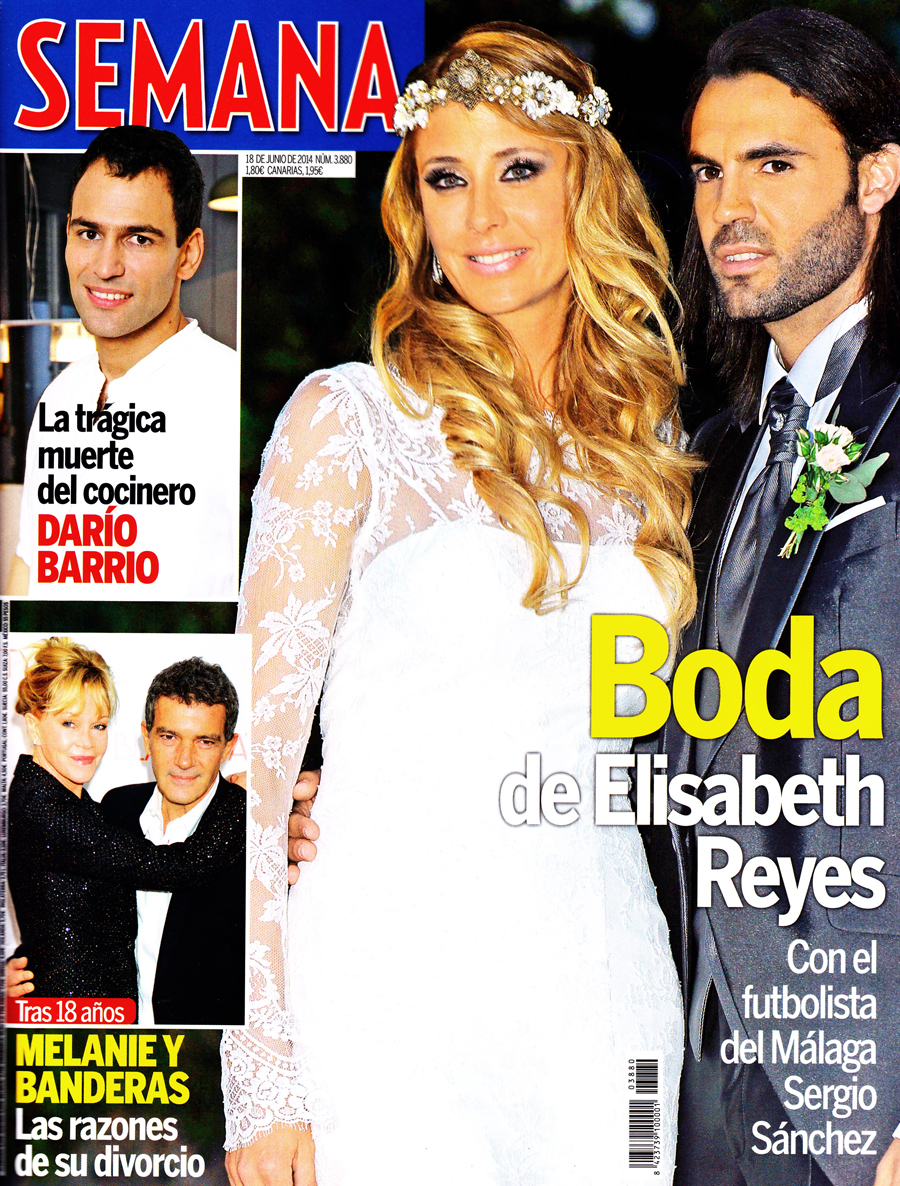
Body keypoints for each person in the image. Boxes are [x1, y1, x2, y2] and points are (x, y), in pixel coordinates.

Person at [224, 23, 698, 1186]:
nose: (482, 216)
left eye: (518, 168)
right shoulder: (350, 421)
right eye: (447, 178)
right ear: (416, 209)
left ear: (585, 181)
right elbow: (252, 770)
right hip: (386, 989)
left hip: (607, 989)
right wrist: (260, 1066)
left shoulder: (652, 439)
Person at [650, 11, 900, 1186]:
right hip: (697, 1075)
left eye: (774, 164)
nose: (729, 208)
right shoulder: (710, 456)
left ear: (877, 176)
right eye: (710, 171)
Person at [6, 125, 238, 601]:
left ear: (188, 254)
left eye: (138, 239)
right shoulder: (59, 398)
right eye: (89, 233)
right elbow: (29, 566)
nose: (105, 266)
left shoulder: (230, 396)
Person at [8, 637, 244, 1001]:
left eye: (99, 726)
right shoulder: (42, 805)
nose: (87, 743)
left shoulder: (95, 805)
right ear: (34, 726)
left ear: (228, 747)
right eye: (69, 723)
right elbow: (180, 868)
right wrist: (242, 802)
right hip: (78, 1022)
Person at [98, 657, 245, 1025]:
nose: (184, 760)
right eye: (169, 736)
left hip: (202, 1053)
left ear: (228, 748)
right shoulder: (116, 808)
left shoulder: (253, 823)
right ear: (147, 736)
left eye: (205, 741)